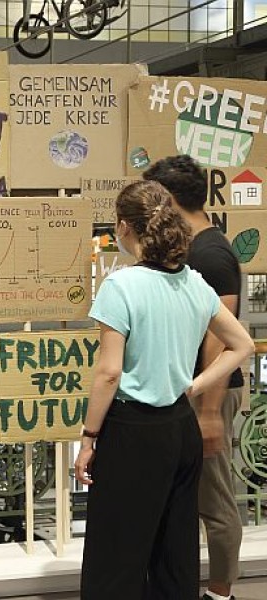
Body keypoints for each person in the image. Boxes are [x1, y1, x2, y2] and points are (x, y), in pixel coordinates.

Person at [75, 180, 253, 600]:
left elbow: (109, 373)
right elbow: (242, 345)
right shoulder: (194, 283)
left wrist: (88, 438)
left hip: (131, 431)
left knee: (116, 556)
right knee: (175, 553)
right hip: (180, 427)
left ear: (124, 226)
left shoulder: (120, 286)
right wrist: (194, 385)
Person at [144, 155, 245, 600]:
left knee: (214, 500)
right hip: (191, 392)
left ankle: (220, 593)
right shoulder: (195, 248)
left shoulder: (211, 253)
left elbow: (222, 337)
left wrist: (208, 412)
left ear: (167, 200)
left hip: (209, 393)